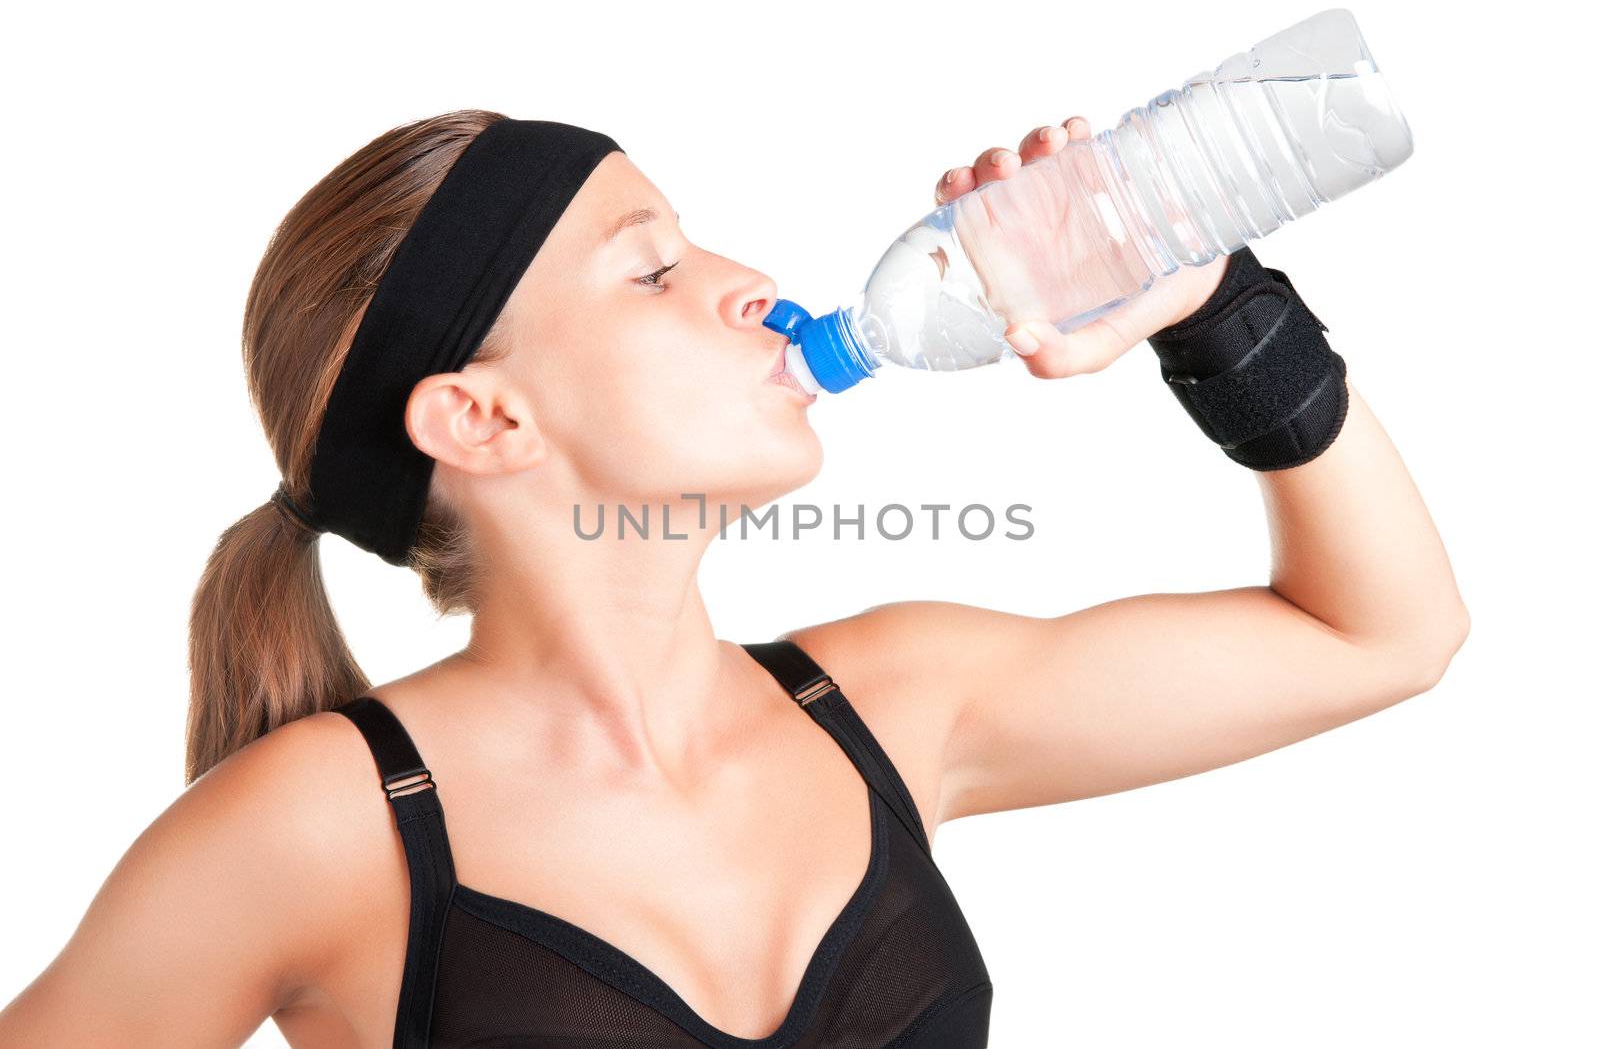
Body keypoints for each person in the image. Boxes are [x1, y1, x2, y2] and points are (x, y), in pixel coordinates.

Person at [0, 109, 1468, 1047]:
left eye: (697, 238)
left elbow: (1382, 635)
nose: (746, 283)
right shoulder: (322, 826)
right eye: (651, 271)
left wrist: (1216, 309)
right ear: (483, 417)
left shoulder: (891, 702)